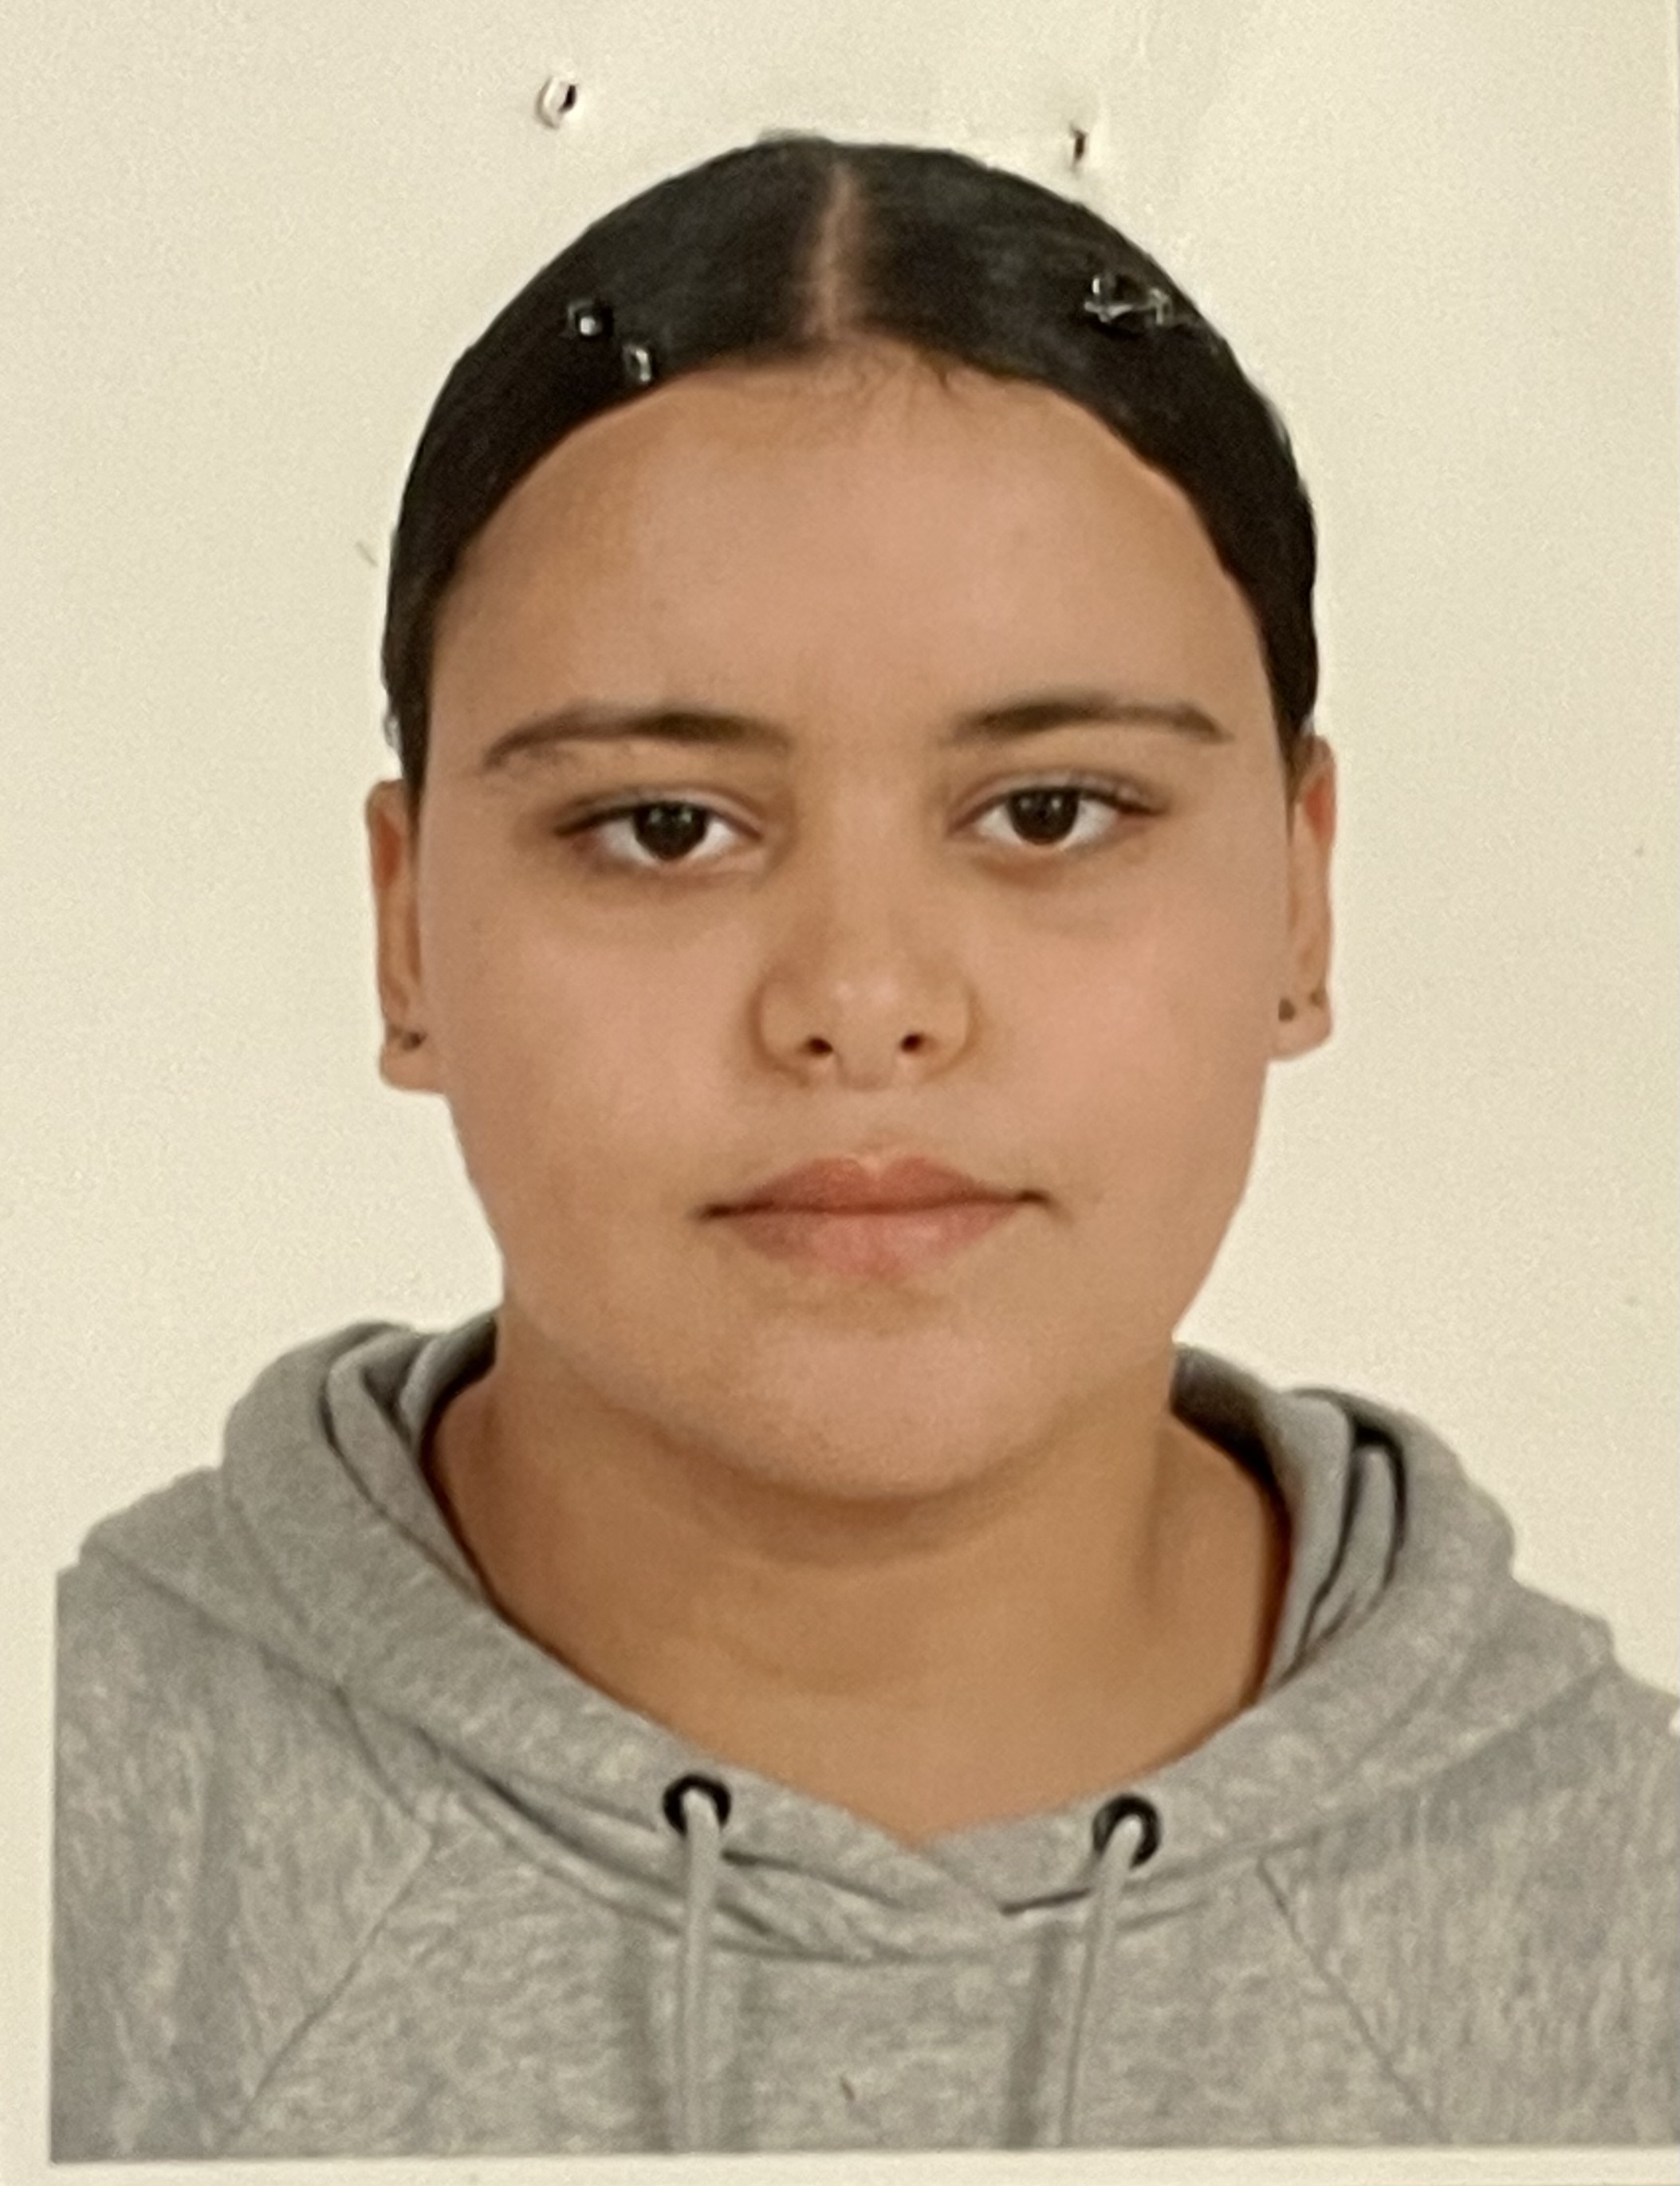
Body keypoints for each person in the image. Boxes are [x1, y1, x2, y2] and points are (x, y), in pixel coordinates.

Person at [52, 133, 1678, 2161]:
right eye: (661, 827)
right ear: (405, 937)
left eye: (1051, 812)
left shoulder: (1631, 1901)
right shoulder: (82, 1827)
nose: (863, 999)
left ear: (1301, 895)